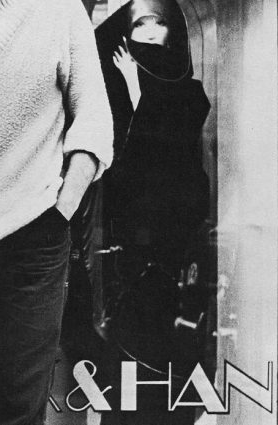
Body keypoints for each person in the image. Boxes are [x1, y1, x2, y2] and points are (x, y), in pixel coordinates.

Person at [0, 1, 113, 424]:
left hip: (37, 234)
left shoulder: (59, 12)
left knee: (21, 399)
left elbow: (93, 118)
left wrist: (61, 209)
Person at [93, 1, 211, 423]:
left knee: (161, 318)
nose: (147, 30)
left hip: (171, 225)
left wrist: (135, 87)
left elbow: (165, 144)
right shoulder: (111, 84)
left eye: (157, 22)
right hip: (129, 227)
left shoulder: (188, 91)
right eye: (140, 23)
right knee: (132, 323)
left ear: (171, 31)